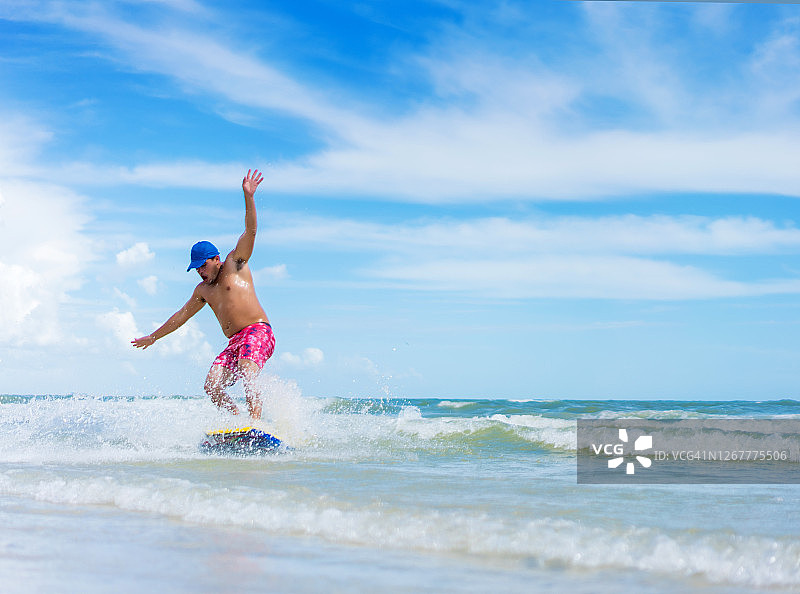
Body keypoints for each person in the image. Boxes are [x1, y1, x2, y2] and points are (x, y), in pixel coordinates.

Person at [131, 169, 274, 420]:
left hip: (258, 331)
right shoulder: (203, 291)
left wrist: (248, 196)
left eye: (203, 265)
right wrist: (153, 337)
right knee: (212, 385)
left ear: (216, 259)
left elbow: (250, 231)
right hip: (235, 341)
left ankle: (256, 424)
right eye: (196, 268)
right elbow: (181, 316)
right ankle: (238, 422)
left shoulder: (235, 263)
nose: (200, 271)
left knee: (247, 370)